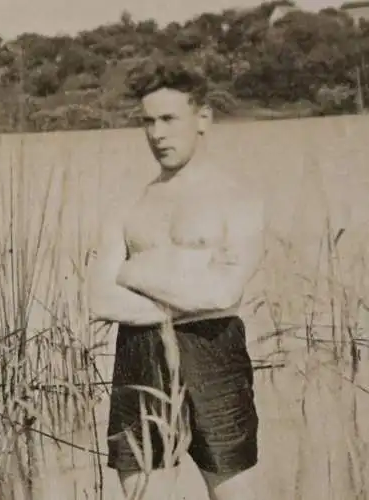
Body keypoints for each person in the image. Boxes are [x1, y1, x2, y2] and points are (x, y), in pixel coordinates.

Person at [88, 57, 265, 500]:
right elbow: (101, 301)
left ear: (202, 118)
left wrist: (135, 270)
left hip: (213, 349)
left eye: (169, 119)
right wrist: (190, 286)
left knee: (235, 491)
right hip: (138, 353)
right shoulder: (128, 204)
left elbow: (225, 292)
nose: (157, 134)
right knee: (143, 494)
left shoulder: (235, 198)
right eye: (147, 122)